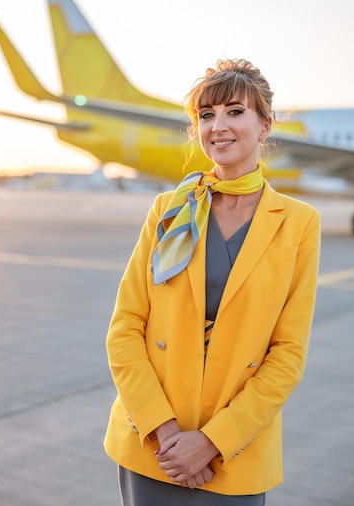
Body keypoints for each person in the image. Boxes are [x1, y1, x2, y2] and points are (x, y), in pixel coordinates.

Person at [104, 59, 321, 505]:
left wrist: (213, 441)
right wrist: (166, 434)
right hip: (153, 447)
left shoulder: (299, 223)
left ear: (265, 126)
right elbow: (125, 327)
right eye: (206, 116)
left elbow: (288, 355)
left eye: (235, 112)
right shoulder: (170, 208)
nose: (218, 126)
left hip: (234, 454)